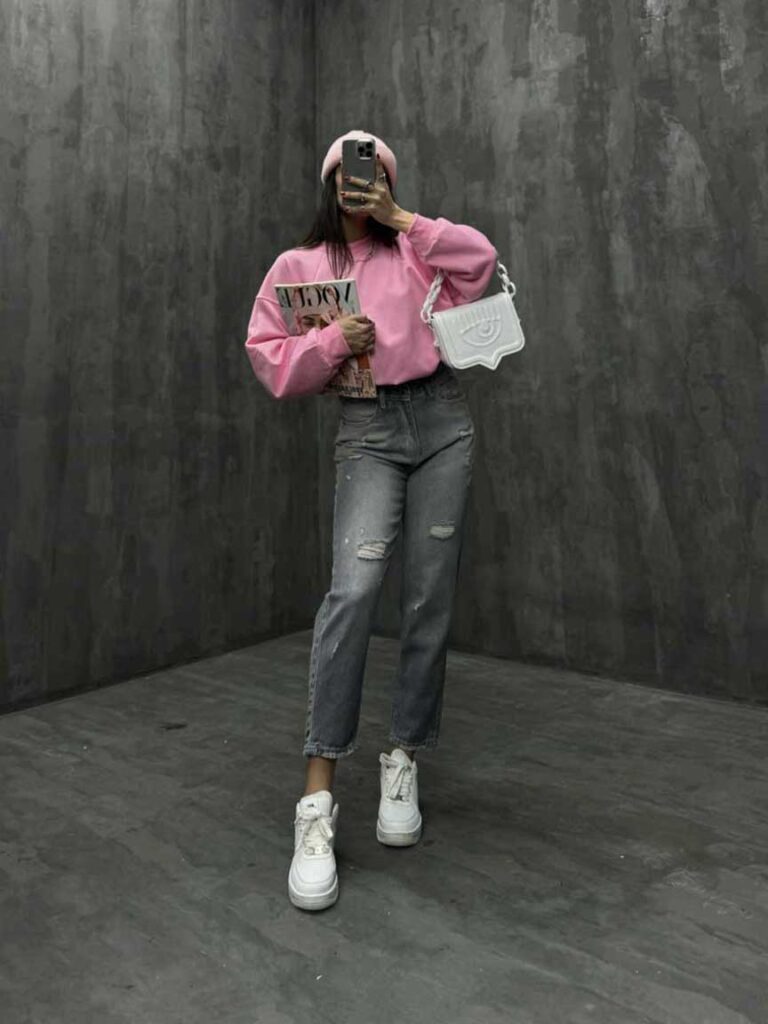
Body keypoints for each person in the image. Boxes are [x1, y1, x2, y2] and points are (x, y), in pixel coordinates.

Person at [243, 130, 498, 911]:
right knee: (352, 593)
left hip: (443, 420)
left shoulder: (416, 247)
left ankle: (403, 758)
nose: (362, 186)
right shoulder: (300, 265)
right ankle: (317, 799)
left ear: (387, 184)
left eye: (377, 176)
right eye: (352, 178)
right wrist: (331, 340)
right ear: (330, 186)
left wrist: (402, 217)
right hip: (368, 429)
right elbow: (268, 357)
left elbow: (482, 262)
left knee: (428, 595)